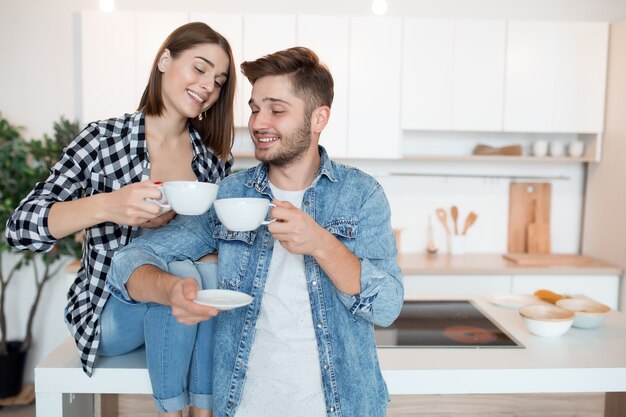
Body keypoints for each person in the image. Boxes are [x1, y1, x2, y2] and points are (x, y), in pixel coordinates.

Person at [108, 46, 404, 417]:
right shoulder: (231, 195)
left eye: (277, 110)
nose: (258, 123)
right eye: (254, 108)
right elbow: (128, 261)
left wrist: (322, 244)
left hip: (340, 406)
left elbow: (388, 306)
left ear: (318, 118)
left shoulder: (360, 195)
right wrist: (169, 291)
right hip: (243, 405)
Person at [5, 22, 236, 417]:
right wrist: (110, 206)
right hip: (107, 312)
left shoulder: (212, 160)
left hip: (184, 311)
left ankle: (204, 410)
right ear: (165, 60)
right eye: (199, 68)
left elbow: (217, 244)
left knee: (193, 279)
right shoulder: (102, 140)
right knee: (179, 283)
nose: (208, 87)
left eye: (218, 81)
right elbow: (20, 227)